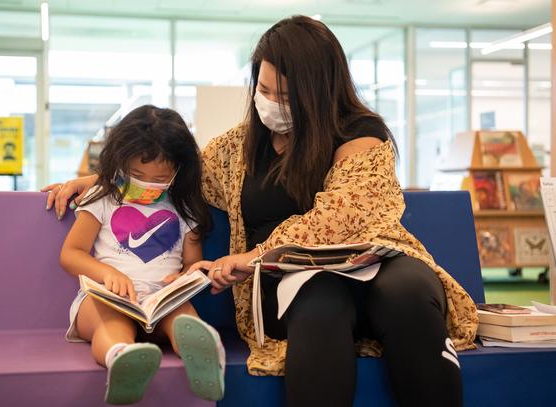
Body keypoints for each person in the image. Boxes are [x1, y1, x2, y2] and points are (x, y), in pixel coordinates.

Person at [45, 16, 478, 407]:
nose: (270, 103)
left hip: (374, 261)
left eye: (285, 95)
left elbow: (342, 216)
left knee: (409, 295)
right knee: (320, 302)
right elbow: (179, 172)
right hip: (287, 279)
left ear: (320, 91)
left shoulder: (361, 135)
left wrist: (250, 256)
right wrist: (106, 180)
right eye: (264, 90)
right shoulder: (240, 145)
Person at [57, 105, 225, 405]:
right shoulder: (104, 197)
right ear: (120, 162)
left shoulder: (184, 207)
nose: (148, 184)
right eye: (137, 174)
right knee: (113, 323)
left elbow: (191, 265)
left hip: (161, 302)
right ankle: (122, 357)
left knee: (182, 316)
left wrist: (186, 277)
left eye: (161, 177)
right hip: (106, 299)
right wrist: (108, 274)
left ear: (179, 170)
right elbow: (71, 254)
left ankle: (205, 356)